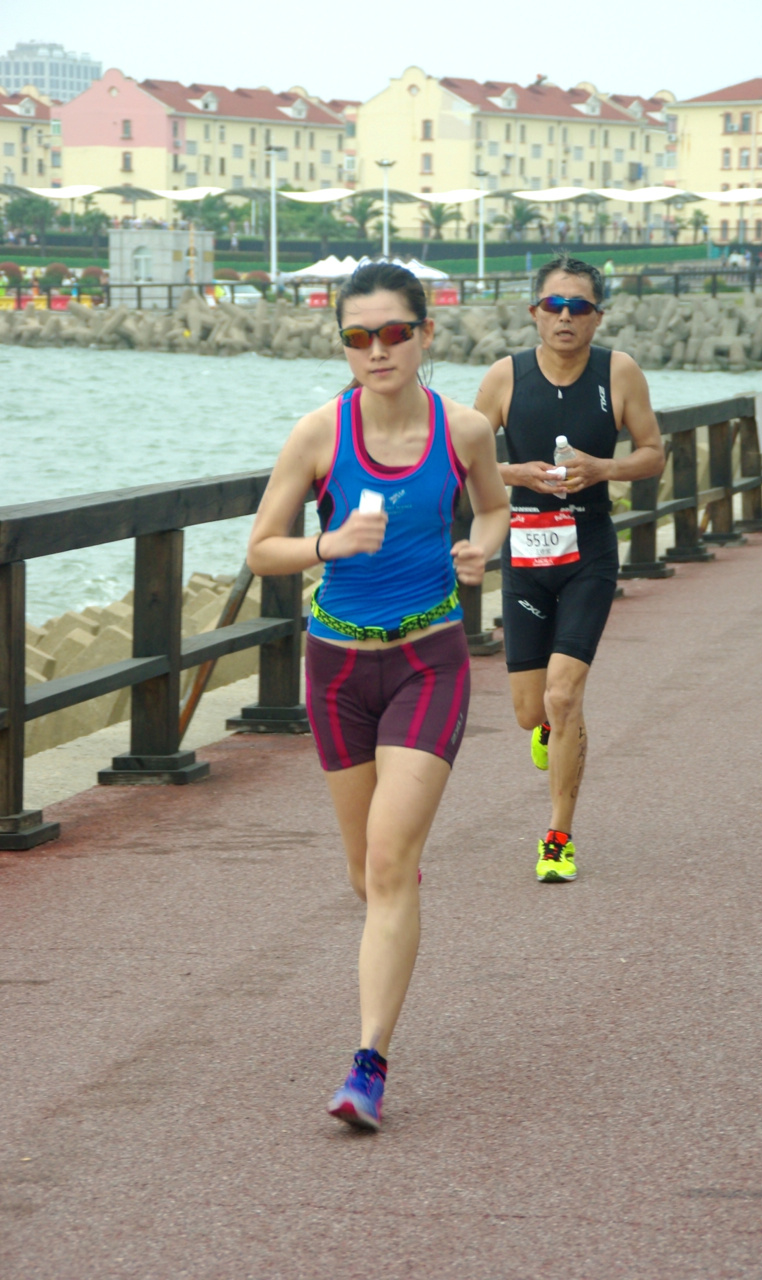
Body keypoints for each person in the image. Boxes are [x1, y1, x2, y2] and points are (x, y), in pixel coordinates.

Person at [247, 262, 509, 1130]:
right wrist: (329, 545)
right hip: (336, 671)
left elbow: (492, 511)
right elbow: (261, 550)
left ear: (425, 334)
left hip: (429, 661)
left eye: (395, 331)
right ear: (343, 346)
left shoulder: (463, 429)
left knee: (390, 861)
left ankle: (367, 1066)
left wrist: (481, 550)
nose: (378, 349)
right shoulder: (320, 434)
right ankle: (395, 898)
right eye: (359, 336)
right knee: (367, 874)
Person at [475, 254, 664, 884]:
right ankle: (551, 732)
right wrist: (516, 473)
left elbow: (652, 453)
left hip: (588, 553)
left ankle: (558, 836)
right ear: (533, 312)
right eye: (553, 306)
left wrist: (603, 468)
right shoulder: (505, 377)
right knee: (533, 712)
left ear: (596, 316)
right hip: (526, 558)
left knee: (564, 693)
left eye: (578, 307)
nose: (565, 317)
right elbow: (465, 459)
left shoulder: (620, 372)